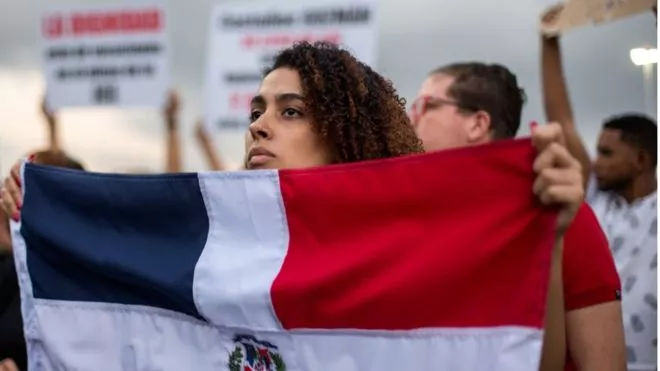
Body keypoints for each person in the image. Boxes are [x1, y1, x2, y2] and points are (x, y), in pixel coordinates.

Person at [2, 41, 584, 370]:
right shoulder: (208, 247)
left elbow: (517, 360)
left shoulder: (420, 248)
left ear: (344, 133)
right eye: (256, 109)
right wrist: (44, 217)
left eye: (290, 111)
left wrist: (550, 240)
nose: (258, 125)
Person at [411, 61, 626, 371]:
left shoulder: (563, 215)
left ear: (477, 124)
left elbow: (605, 365)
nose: (410, 117)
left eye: (425, 105)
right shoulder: (426, 222)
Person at [540, 5, 657, 370]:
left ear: (641, 160)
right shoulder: (593, 200)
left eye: (607, 153)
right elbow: (563, 119)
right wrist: (549, 41)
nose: (596, 162)